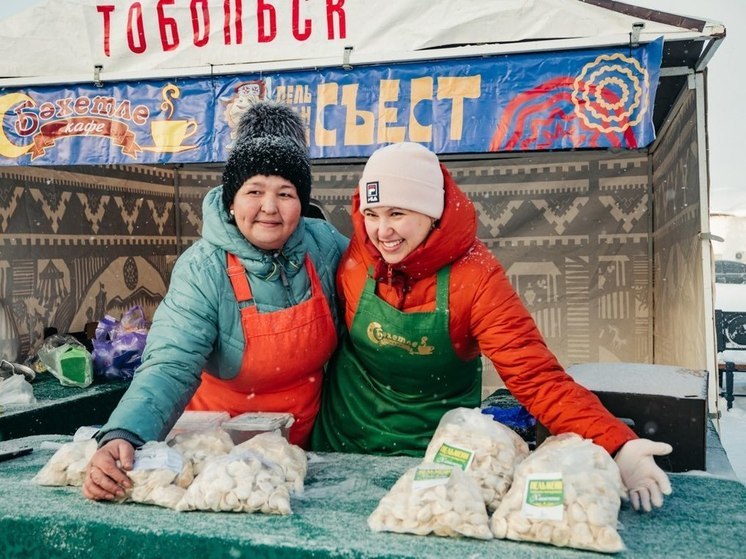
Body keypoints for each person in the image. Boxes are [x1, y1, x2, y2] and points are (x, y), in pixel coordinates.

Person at [312, 142, 672, 513]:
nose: (382, 231)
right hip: (337, 446)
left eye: (397, 213)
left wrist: (618, 444)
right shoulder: (358, 253)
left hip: (432, 461)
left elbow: (536, 378)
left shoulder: (476, 277)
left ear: (431, 212)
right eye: (371, 214)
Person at [83, 103, 348, 501]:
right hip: (215, 448)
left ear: (302, 200)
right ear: (231, 199)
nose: (270, 207)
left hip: (307, 445)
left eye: (286, 193)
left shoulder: (324, 246)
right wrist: (125, 433)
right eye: (254, 191)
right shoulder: (204, 268)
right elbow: (171, 364)